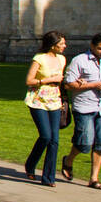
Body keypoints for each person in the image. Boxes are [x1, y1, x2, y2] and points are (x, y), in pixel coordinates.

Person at [61, 33, 101, 190]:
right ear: (92, 46)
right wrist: (94, 85)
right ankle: (68, 161)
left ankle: (94, 179)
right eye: (100, 48)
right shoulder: (79, 61)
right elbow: (68, 84)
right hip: (84, 106)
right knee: (85, 142)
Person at [23, 30, 67, 187]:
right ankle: (30, 164)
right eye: (61, 44)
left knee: (54, 140)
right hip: (38, 100)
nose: (64, 46)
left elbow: (62, 80)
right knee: (46, 136)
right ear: (53, 45)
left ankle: (49, 178)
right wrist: (48, 80)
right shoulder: (39, 58)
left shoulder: (62, 59)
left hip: (54, 100)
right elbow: (29, 80)